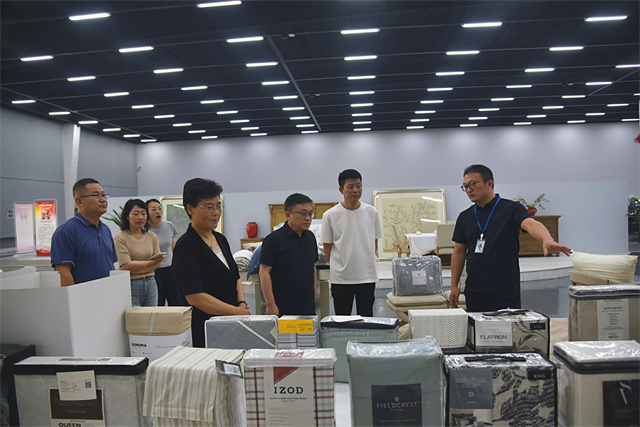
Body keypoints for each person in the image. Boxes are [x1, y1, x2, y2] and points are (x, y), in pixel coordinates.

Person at [449, 164, 572, 312]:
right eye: (465, 186)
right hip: (475, 289)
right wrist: (454, 286)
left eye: (473, 184)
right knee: (477, 326)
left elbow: (531, 224)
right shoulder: (465, 216)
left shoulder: (511, 209)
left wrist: (547, 239)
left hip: (505, 288)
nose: (469, 190)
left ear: (489, 183)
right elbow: (459, 252)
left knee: (507, 326)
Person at [172, 178, 250, 347]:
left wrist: (242, 303)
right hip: (206, 327)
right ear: (190, 209)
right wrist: (235, 311)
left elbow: (235, 276)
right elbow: (195, 297)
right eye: (208, 207)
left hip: (232, 321)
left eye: (218, 206)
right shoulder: (186, 246)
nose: (216, 213)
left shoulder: (220, 239)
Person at [321, 169, 384, 316]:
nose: (355, 190)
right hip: (341, 279)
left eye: (359, 186)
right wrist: (340, 267)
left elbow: (374, 243)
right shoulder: (330, 215)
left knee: (367, 318)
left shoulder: (371, 212)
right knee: (342, 319)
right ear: (341, 190)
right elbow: (327, 248)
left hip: (366, 277)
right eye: (350, 187)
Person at [51, 178, 118, 286]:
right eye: (96, 195)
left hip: (107, 292)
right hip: (83, 294)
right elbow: (63, 272)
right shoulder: (66, 231)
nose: (103, 200)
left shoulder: (105, 229)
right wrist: (73, 296)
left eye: (103, 195)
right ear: (79, 201)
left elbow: (110, 265)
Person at [259, 193, 318, 316]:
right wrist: (270, 304)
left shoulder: (310, 237)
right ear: (288, 215)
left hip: (307, 306)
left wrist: (314, 295)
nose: (308, 218)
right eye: (303, 214)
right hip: (282, 306)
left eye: (310, 214)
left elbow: (312, 267)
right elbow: (264, 271)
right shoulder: (273, 239)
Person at [114, 199, 164, 307]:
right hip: (132, 284)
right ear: (127, 216)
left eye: (143, 214)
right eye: (136, 214)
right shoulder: (120, 238)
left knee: (151, 315)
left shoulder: (151, 236)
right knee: (134, 316)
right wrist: (150, 263)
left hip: (151, 283)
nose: (140, 217)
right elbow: (125, 266)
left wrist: (136, 269)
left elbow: (158, 263)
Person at [146, 199, 183, 306]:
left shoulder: (169, 226)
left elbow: (172, 247)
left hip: (170, 269)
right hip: (153, 270)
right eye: (153, 209)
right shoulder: (144, 230)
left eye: (160, 208)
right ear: (147, 212)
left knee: (176, 301)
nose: (158, 212)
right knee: (159, 302)